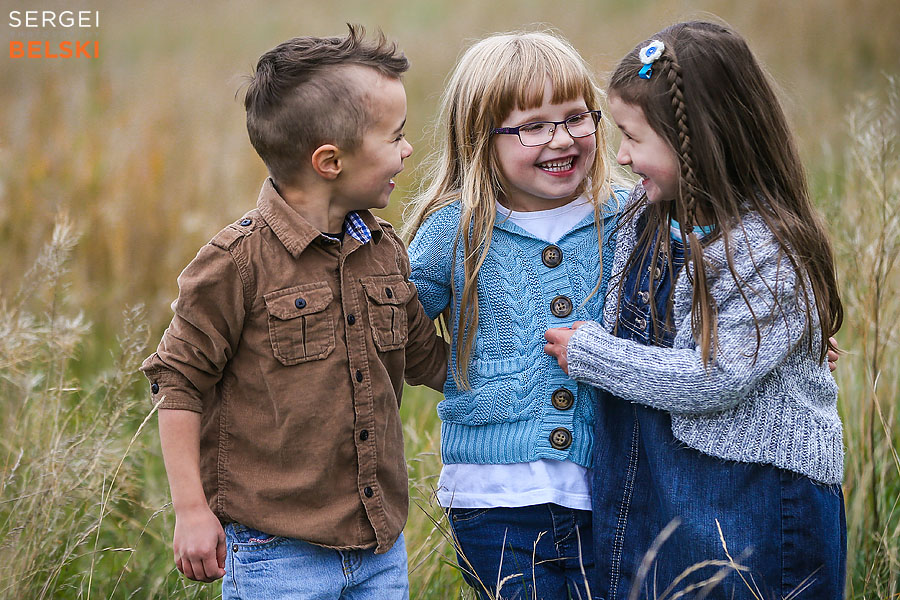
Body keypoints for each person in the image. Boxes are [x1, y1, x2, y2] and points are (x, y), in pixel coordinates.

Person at [140, 25, 447, 599]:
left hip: (380, 546)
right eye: (395, 136)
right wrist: (191, 510)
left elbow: (431, 360)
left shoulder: (385, 252)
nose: (407, 149)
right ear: (330, 160)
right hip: (276, 553)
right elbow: (178, 381)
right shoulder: (236, 262)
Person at [544, 21, 846, 599]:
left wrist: (592, 355)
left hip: (755, 499)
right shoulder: (647, 216)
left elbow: (714, 378)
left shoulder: (770, 249)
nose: (623, 157)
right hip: (655, 482)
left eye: (633, 139)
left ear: (695, 142)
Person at [404, 30, 626, 599]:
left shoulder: (628, 217)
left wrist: (786, 331)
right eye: (533, 126)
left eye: (578, 117)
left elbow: (705, 279)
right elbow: (389, 319)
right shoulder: (456, 232)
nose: (562, 139)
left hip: (611, 490)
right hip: (493, 500)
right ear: (482, 140)